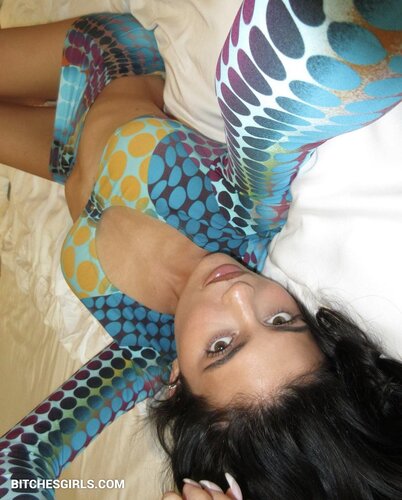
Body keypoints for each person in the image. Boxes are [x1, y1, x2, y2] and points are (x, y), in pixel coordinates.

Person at [0, 1, 402, 498]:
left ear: (176, 383)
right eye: (281, 321)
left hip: (63, 155)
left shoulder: (142, 354)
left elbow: (16, 468)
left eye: (221, 346)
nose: (241, 295)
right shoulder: (248, 212)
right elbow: (318, 51)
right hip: (110, 56)